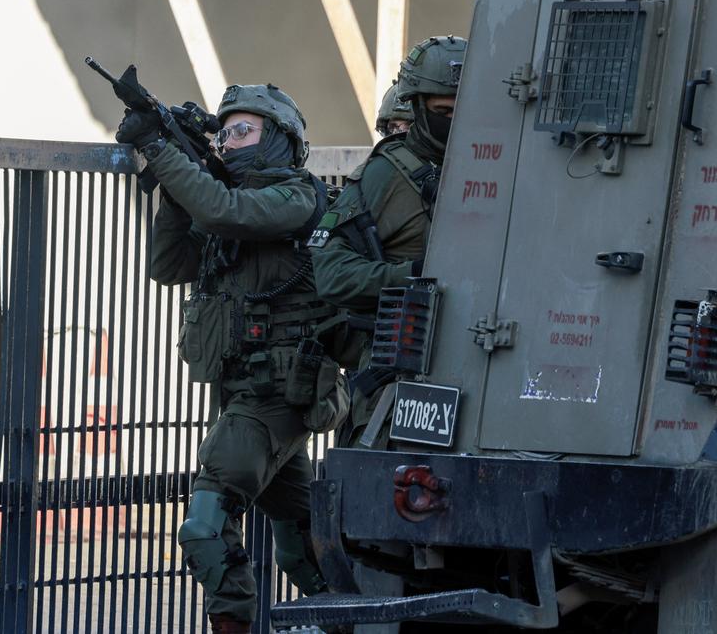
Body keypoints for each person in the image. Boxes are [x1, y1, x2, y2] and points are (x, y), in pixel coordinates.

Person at [115, 83, 343, 634]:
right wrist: (177, 188)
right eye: (224, 133)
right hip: (252, 395)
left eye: (244, 131)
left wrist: (163, 153)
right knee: (302, 545)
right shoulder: (225, 202)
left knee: (205, 528)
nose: (229, 142)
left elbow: (225, 212)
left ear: (281, 141)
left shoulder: (294, 197)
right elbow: (169, 265)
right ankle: (358, 617)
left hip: (274, 397)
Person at [309, 35, 465, 444]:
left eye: (467, 107)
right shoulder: (384, 175)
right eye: (444, 111)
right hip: (403, 373)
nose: (457, 119)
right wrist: (411, 276)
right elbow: (331, 273)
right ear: (416, 106)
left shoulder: (501, 165)